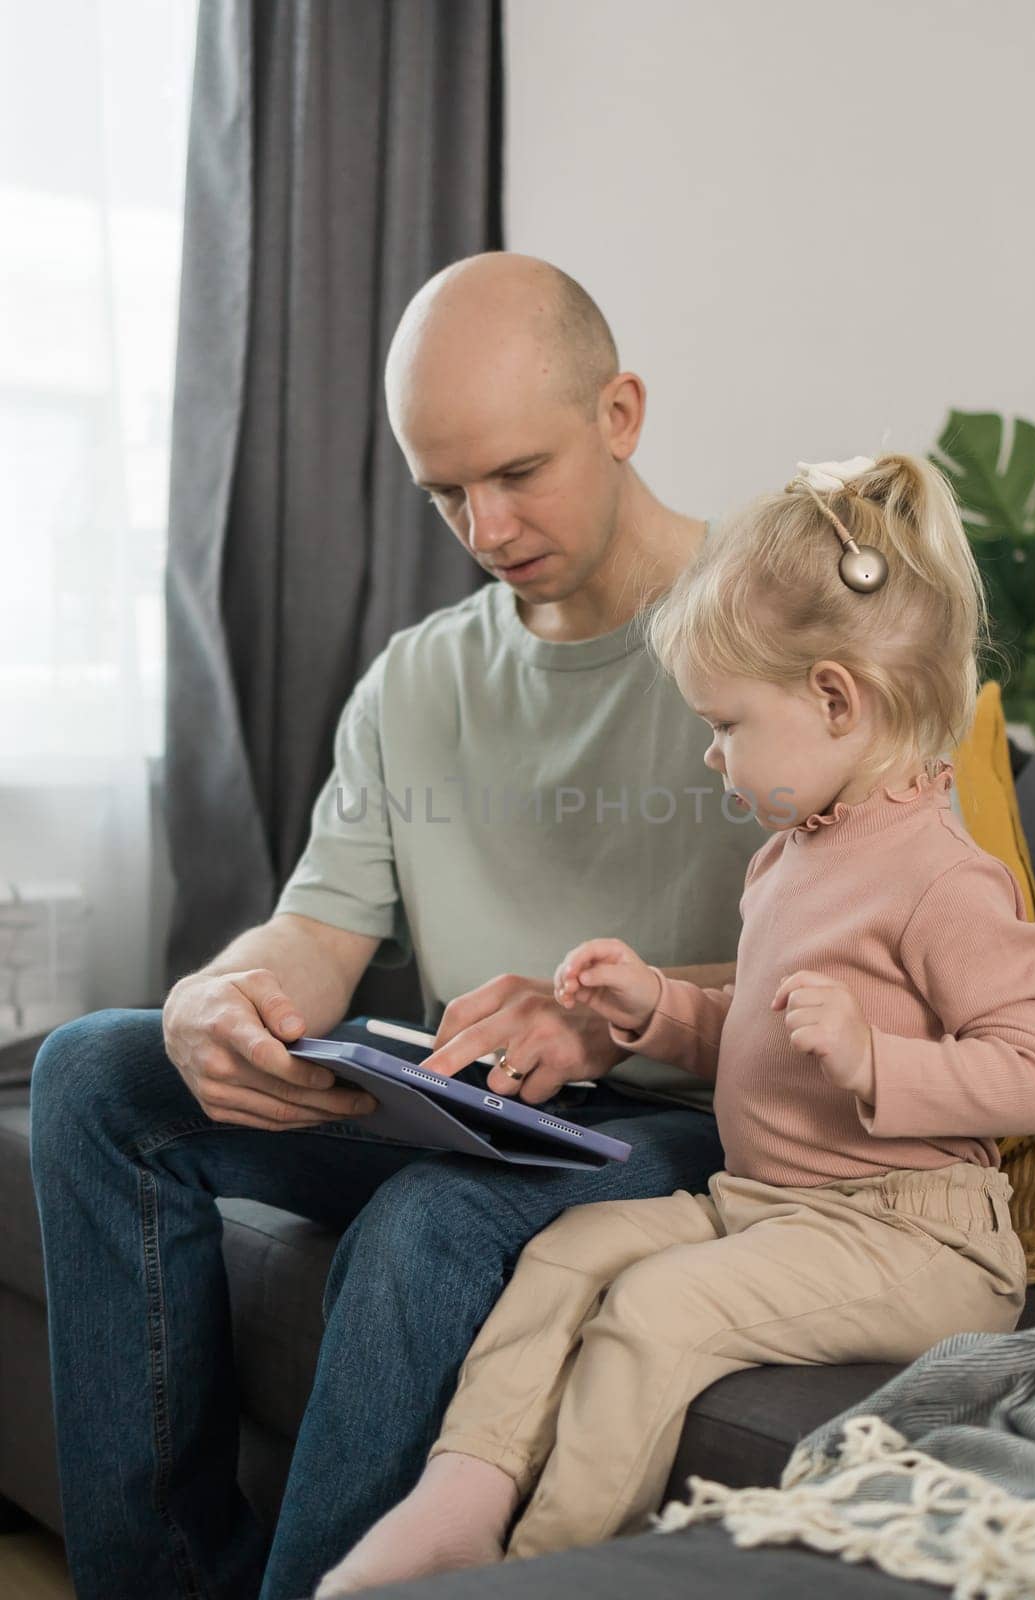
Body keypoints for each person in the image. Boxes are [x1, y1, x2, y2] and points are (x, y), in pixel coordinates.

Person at [29, 252, 772, 1600]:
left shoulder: (773, 626)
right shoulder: (420, 678)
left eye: (515, 473)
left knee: (431, 1221)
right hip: (467, 1094)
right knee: (93, 1071)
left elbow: (867, 959)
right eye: (445, 493)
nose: (484, 530)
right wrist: (224, 995)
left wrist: (612, 1002)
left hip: (690, 1115)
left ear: (620, 414)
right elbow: (317, 930)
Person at [314, 452, 1035, 1596]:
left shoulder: (944, 877)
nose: (711, 754)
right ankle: (460, 1499)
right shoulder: (791, 857)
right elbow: (761, 1046)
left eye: (726, 724)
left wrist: (879, 1061)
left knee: (658, 1306)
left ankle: (541, 1566)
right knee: (570, 1248)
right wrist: (656, 1010)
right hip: (771, 1205)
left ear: (835, 698)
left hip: (920, 1239)